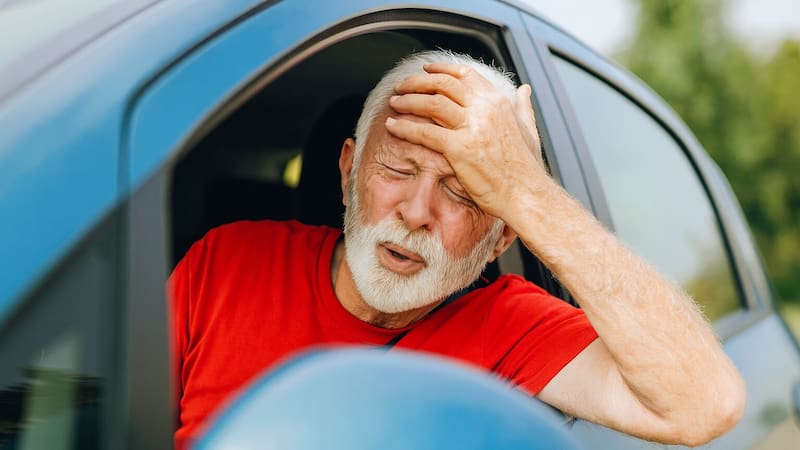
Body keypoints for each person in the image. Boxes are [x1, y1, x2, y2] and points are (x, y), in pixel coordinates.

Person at [169, 50, 746, 449]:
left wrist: (525, 189)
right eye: (397, 168)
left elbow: (704, 404)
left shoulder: (509, 327)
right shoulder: (227, 260)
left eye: (464, 193)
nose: (416, 212)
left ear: (502, 235)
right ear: (347, 172)